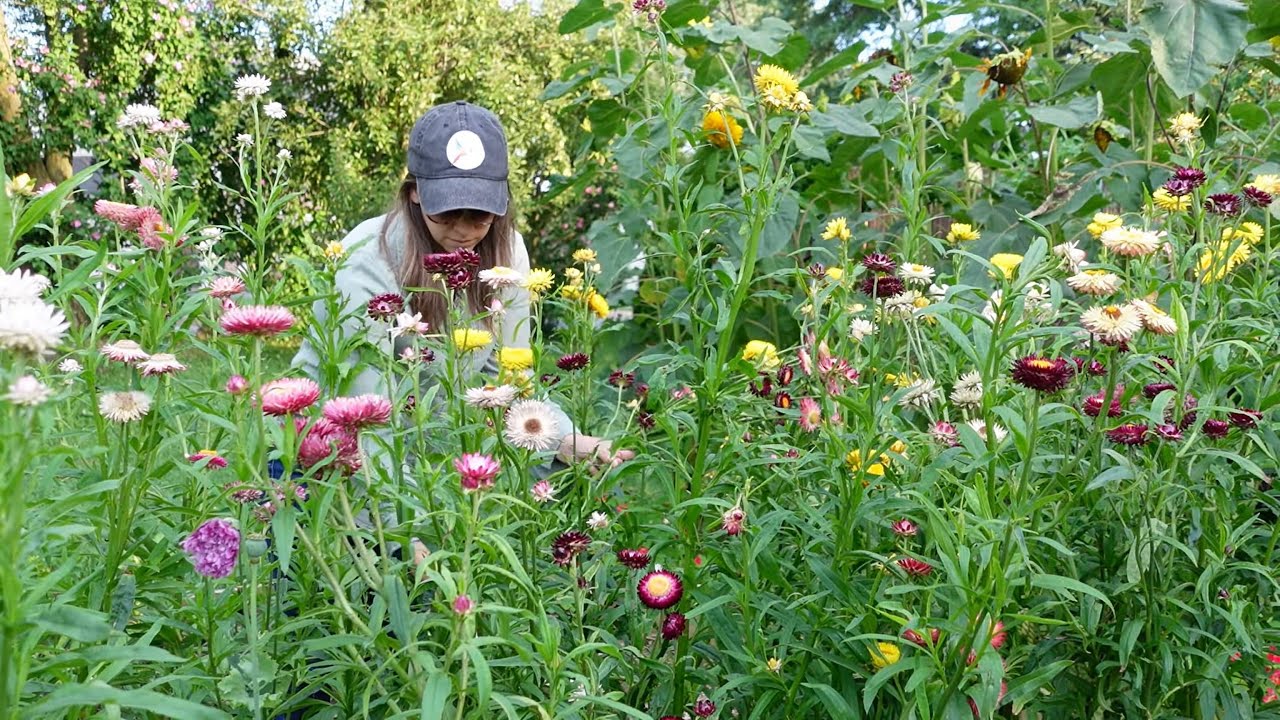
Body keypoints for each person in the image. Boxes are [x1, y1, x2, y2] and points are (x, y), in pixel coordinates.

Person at [292, 101, 632, 562]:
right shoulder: (365, 264)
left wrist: (564, 440)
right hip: (335, 457)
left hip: (429, 456)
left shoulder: (507, 253)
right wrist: (401, 533)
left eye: (480, 215)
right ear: (414, 194)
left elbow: (506, 380)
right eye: (447, 214)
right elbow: (362, 422)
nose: (464, 231)